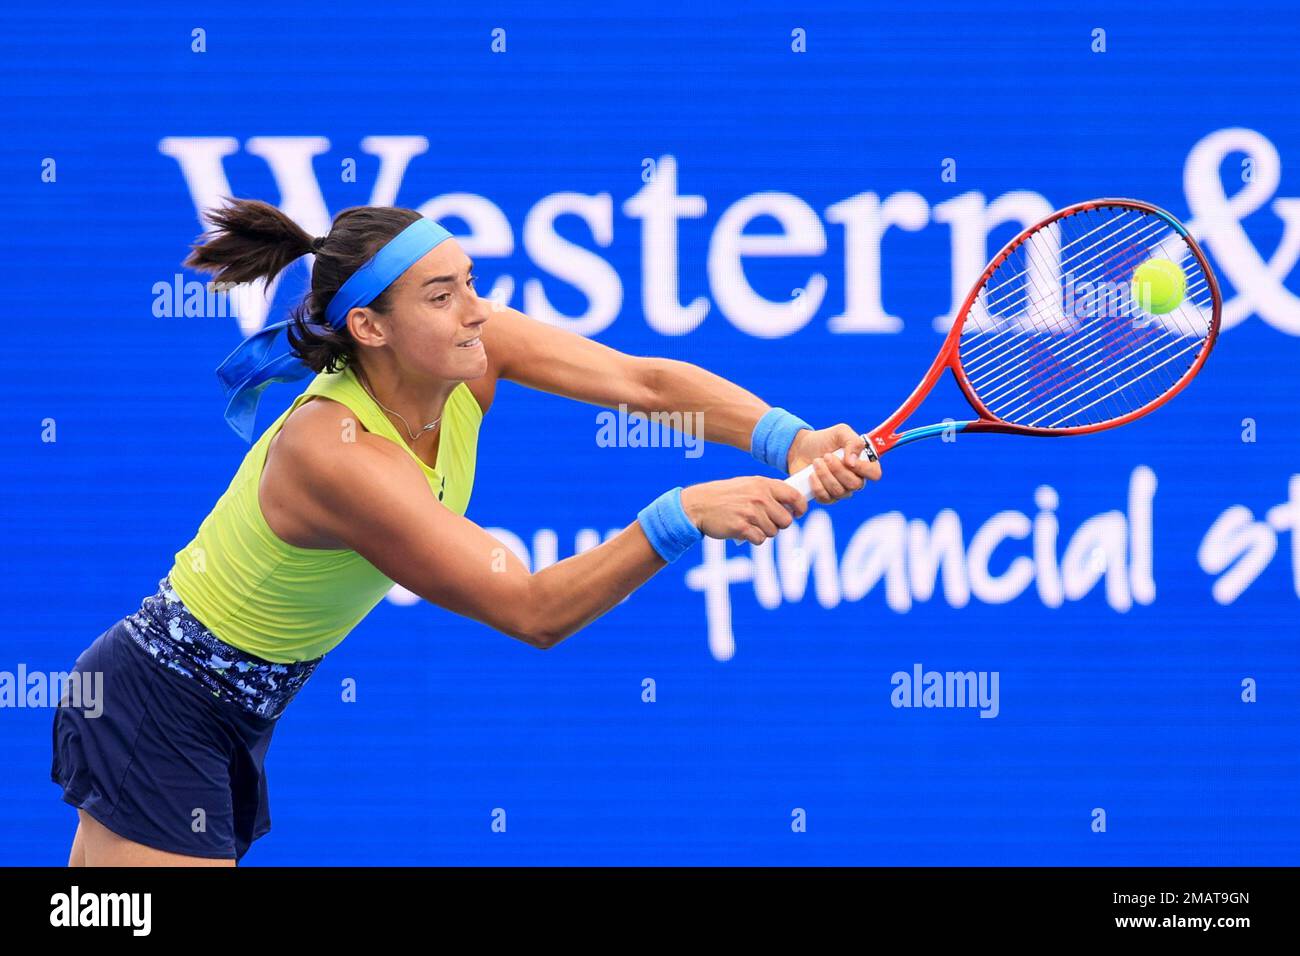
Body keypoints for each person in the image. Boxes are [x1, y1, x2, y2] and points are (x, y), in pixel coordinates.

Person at [51, 200, 881, 866]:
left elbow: (643, 381)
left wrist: (790, 439)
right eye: (440, 296)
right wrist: (680, 517)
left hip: (220, 708)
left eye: (471, 283)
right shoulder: (334, 455)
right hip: (160, 705)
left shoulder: (472, 352)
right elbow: (531, 610)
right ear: (370, 329)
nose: (475, 312)